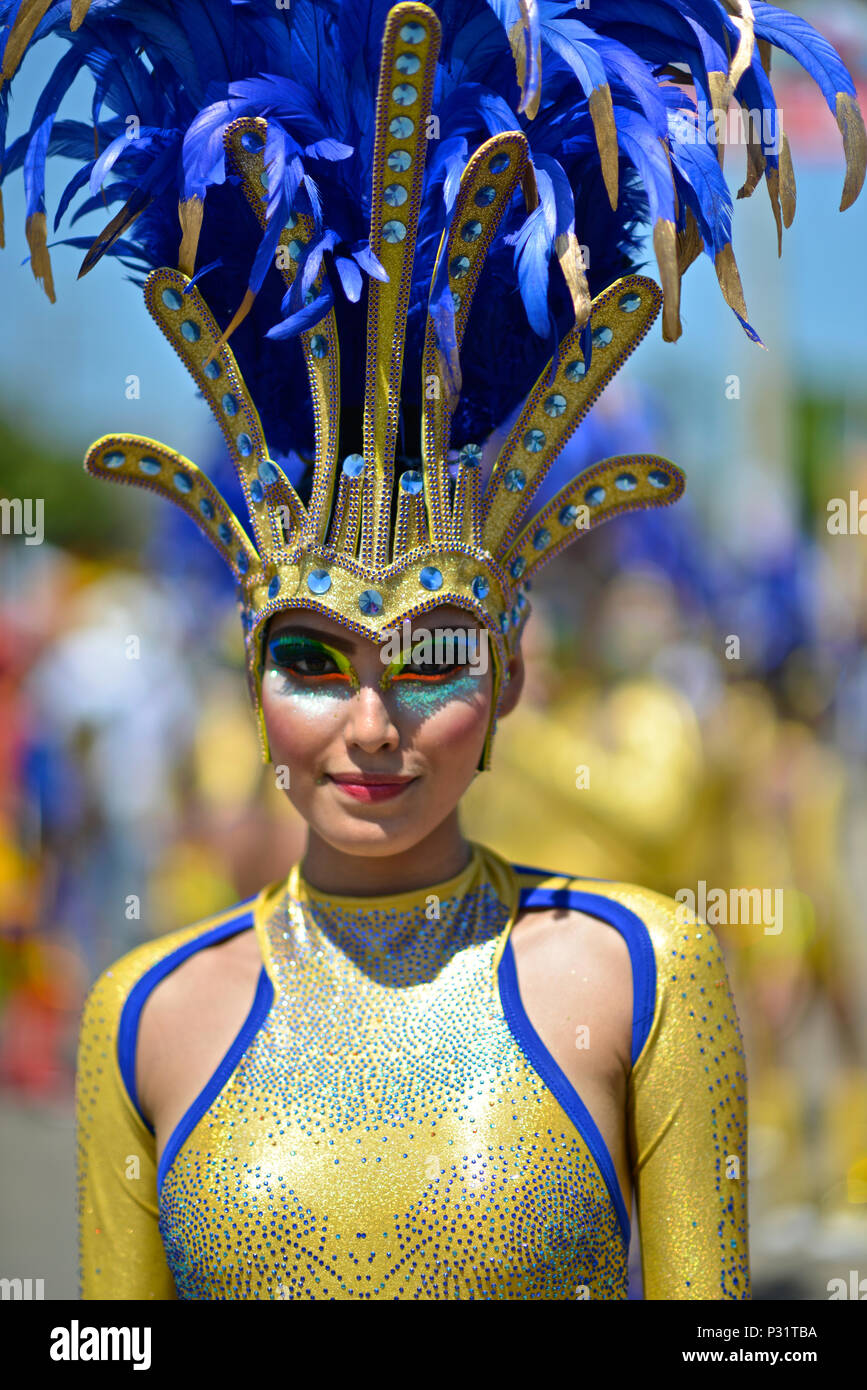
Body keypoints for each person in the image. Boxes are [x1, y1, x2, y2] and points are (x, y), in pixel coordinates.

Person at [3, 0, 862, 1300]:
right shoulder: (142, 1015)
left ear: (512, 672)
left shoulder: (640, 972)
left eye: (435, 656)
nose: (371, 725)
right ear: (249, 672)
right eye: (313, 660)